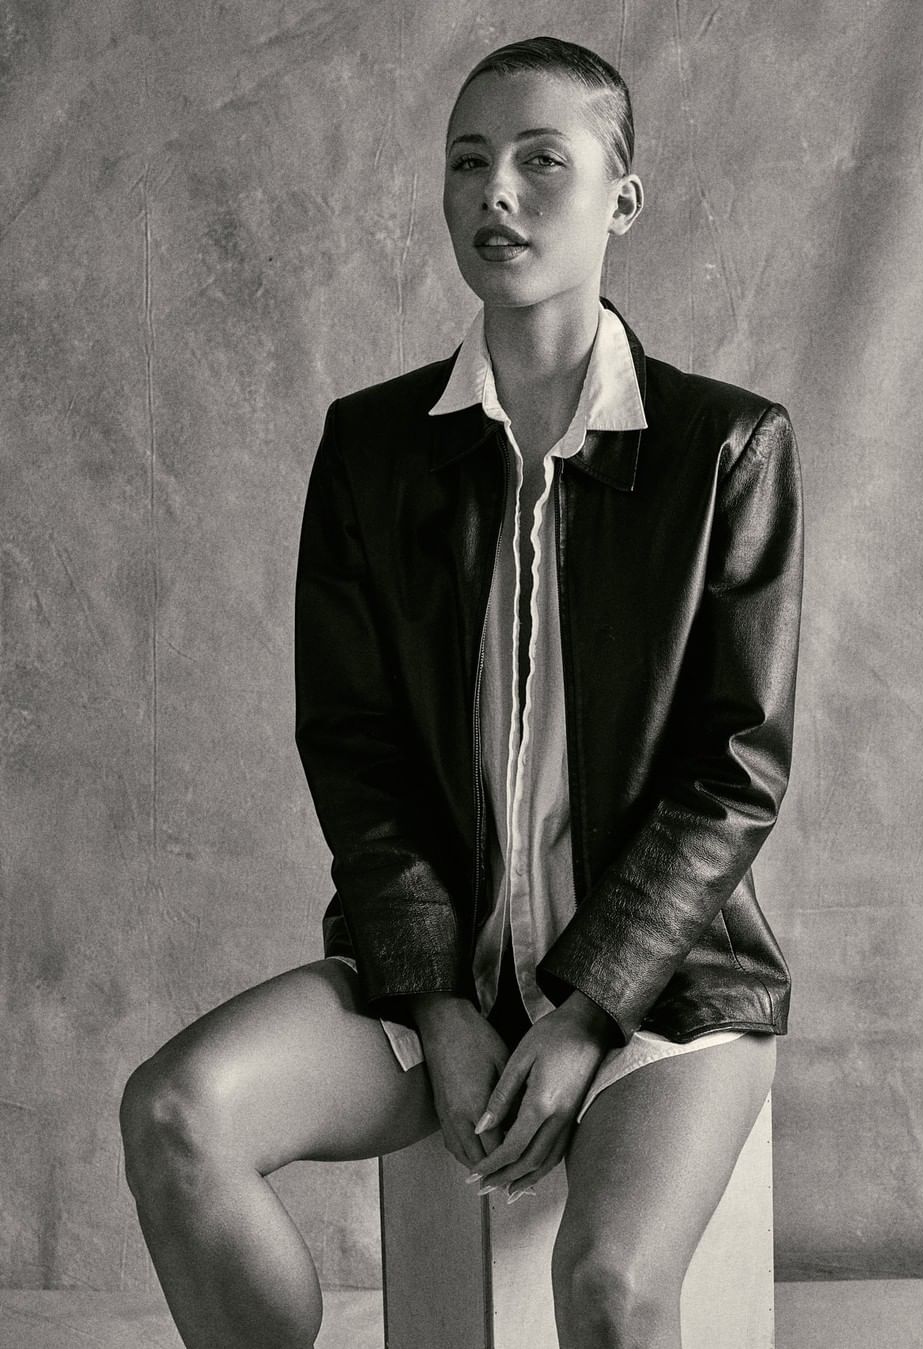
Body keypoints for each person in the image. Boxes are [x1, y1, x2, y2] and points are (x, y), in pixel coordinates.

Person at [119, 35, 803, 1349]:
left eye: (542, 161)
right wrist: (439, 1003)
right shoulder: (373, 451)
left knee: (610, 1290)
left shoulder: (726, 447)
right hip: (429, 972)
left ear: (621, 197)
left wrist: (586, 1011)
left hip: (668, 984)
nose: (496, 193)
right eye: (468, 162)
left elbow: (734, 771)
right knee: (173, 1114)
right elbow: (356, 754)